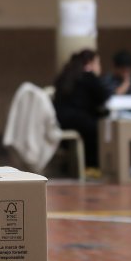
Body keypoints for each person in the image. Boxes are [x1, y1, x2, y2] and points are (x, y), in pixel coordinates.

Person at [53, 49, 110, 178]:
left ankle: (72, 165)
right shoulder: (88, 76)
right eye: (98, 63)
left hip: (60, 120)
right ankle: (92, 167)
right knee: (99, 129)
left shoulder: (66, 75)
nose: (99, 67)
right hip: (78, 120)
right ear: (90, 63)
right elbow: (103, 96)